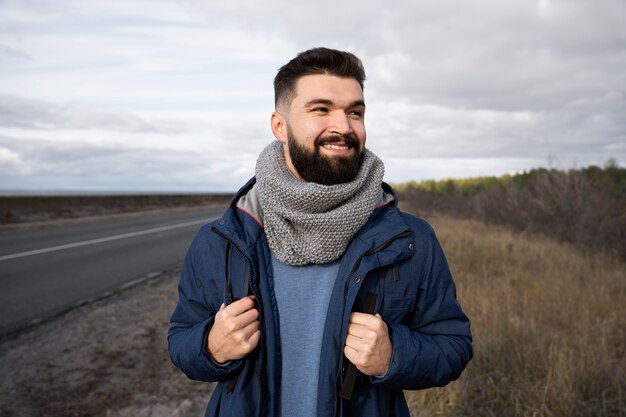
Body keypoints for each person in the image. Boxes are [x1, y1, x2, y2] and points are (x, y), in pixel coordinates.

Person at [168, 47, 472, 417]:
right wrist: (211, 347)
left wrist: (394, 355)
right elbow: (181, 341)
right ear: (280, 126)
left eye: (355, 112)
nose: (343, 127)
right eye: (321, 109)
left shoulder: (410, 239)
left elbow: (453, 346)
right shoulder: (223, 239)